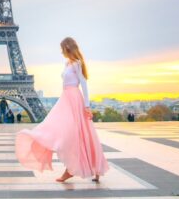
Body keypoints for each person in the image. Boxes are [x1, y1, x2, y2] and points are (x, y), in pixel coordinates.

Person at [15, 37, 109, 183]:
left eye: (62, 48)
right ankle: (73, 167)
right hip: (66, 99)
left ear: (67, 48)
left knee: (79, 134)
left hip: (74, 100)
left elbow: (84, 84)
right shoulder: (68, 63)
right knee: (61, 130)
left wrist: (87, 106)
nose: (61, 51)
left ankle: (80, 169)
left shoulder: (77, 64)